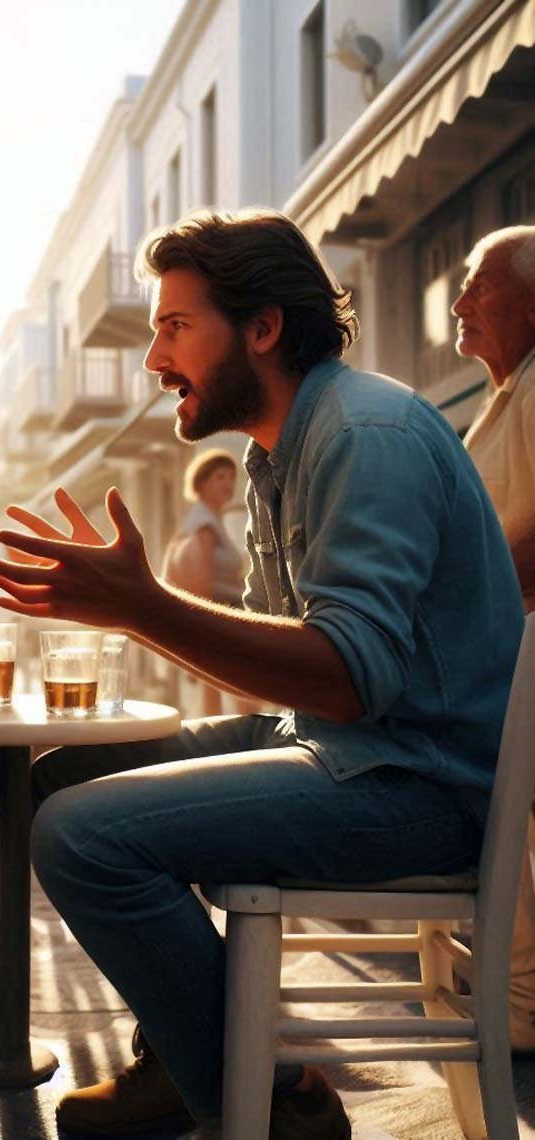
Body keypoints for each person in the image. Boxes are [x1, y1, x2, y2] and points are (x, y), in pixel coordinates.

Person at [0, 208, 523, 1139]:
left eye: (174, 327)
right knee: (63, 776)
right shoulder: (279, 452)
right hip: (347, 747)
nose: (155, 360)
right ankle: (195, 1053)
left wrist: (142, 606)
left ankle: (264, 1107)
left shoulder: (368, 433)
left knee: (82, 838)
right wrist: (139, 608)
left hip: (425, 782)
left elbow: (352, 676)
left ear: (263, 327)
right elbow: (305, 671)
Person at [453, 224, 535, 1050]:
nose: (460, 302)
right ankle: (514, 999)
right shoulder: (505, 397)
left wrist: (462, 614)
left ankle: (516, 1005)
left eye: (480, 283)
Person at [161, 447, 244, 715]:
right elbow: (201, 584)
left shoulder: (205, 521)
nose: (229, 484)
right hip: (222, 617)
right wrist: (203, 634)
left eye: (232, 477)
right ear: (202, 482)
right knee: (243, 697)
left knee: (220, 696)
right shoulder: (204, 526)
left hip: (224, 616)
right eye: (220, 476)